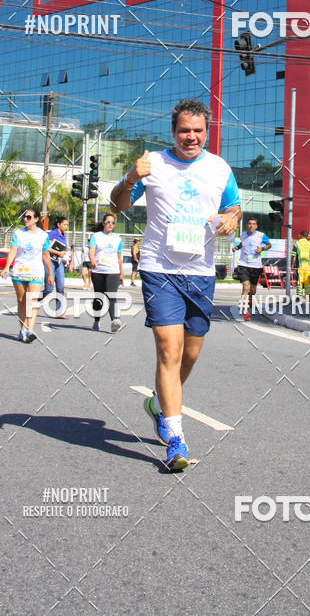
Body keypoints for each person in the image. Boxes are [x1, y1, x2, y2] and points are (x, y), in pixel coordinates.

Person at [110, 98, 241, 471]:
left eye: (198, 131)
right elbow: (117, 205)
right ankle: (176, 438)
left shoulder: (219, 168)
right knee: (169, 349)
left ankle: (158, 402)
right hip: (159, 267)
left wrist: (232, 218)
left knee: (191, 353)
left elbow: (234, 207)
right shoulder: (153, 163)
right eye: (184, 130)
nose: (191, 137)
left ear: (206, 131)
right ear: (173, 131)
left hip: (200, 271)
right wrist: (131, 178)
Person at [1, 207, 53, 342]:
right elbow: (13, 251)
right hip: (19, 270)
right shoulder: (18, 234)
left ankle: (30, 330)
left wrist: (50, 274)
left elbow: (46, 256)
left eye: (29, 217)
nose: (25, 219)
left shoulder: (43, 235)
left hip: (36, 271)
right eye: (24, 216)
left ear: (36, 219)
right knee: (21, 301)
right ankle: (22, 329)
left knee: (32, 300)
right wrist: (7, 266)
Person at [89, 213, 124, 332]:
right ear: (103, 223)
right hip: (98, 270)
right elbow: (91, 251)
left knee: (111, 295)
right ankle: (96, 320)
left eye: (112, 223)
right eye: (108, 222)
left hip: (113, 271)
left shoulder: (117, 239)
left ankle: (115, 320)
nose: (110, 224)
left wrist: (121, 273)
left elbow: (119, 257)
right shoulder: (96, 236)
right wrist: (92, 260)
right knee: (99, 296)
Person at [232, 217, 271, 320]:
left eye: (253, 224)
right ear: (247, 225)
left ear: (256, 226)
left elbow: (269, 244)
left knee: (253, 290)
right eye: (249, 223)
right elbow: (243, 244)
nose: (251, 226)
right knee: (245, 287)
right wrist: (237, 247)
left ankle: (250, 298)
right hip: (243, 264)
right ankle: (245, 311)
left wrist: (262, 249)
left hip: (256, 266)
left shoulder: (261, 235)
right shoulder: (242, 234)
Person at [44, 216, 69, 317]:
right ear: (59, 225)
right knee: (49, 289)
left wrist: (62, 254)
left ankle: (59, 311)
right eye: (64, 225)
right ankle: (33, 300)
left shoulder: (63, 235)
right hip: (50, 262)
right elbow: (48, 248)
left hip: (59, 263)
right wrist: (59, 253)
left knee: (61, 287)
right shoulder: (53, 233)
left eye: (67, 225)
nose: (66, 227)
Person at [292, 231, 310, 298]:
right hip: (307, 267)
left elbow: (294, 256)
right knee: (307, 282)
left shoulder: (297, 244)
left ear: (301, 235)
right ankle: (309, 296)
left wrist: (292, 264)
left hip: (300, 267)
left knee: (299, 282)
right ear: (307, 236)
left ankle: (299, 296)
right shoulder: (309, 243)